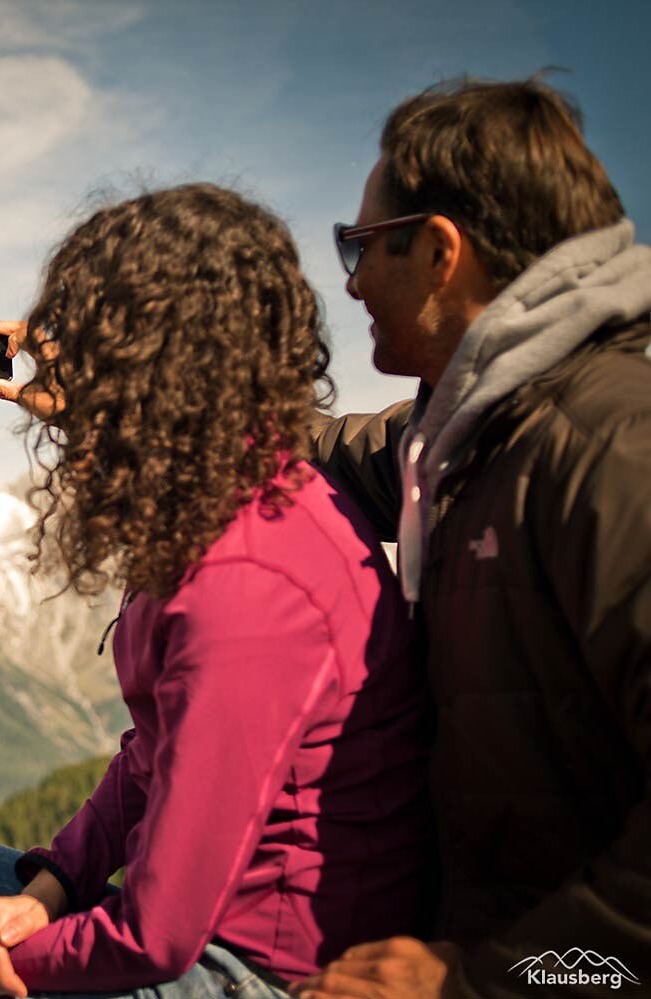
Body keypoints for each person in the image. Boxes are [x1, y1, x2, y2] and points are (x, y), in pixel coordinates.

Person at [0, 184, 430, 999]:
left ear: (156, 372)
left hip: (256, 969)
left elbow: (156, 937)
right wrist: (45, 889)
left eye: (93, 353)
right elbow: (155, 752)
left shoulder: (247, 586)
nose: (63, 385)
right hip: (193, 924)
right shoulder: (218, 496)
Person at [291, 77, 651, 999]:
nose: (354, 280)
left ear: (442, 250)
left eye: (361, 245)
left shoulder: (614, 448)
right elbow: (314, 440)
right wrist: (118, 380)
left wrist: (489, 981)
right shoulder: (465, 441)